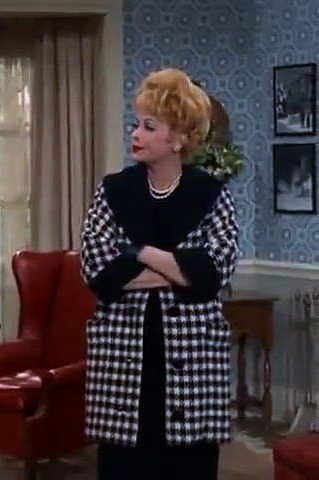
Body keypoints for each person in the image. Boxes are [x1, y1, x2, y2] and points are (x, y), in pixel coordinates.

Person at [80, 68, 239, 480]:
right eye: (137, 124)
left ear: (178, 138)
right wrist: (180, 270)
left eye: (149, 127)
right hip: (123, 363)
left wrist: (140, 252)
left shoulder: (211, 195)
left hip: (194, 367)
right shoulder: (113, 191)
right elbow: (98, 271)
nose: (136, 134)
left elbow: (214, 273)